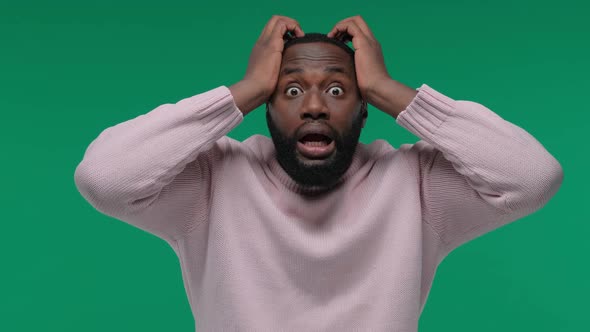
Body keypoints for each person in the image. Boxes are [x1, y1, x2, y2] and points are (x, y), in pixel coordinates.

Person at [74, 15, 563, 332]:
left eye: (336, 90)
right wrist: (240, 91)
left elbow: (532, 177)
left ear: (364, 108)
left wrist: (392, 90)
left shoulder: (416, 185)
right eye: (289, 91)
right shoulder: (212, 182)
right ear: (264, 108)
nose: (313, 106)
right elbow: (104, 177)